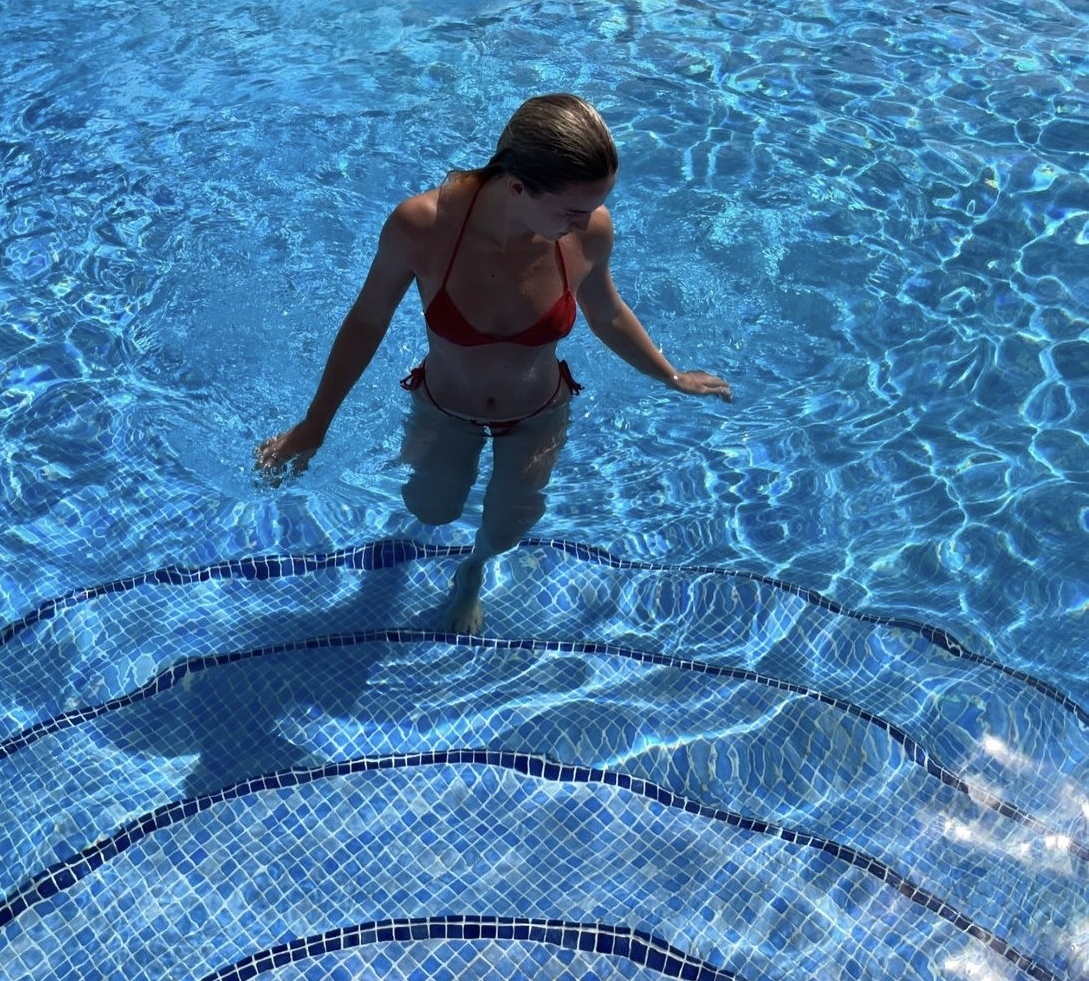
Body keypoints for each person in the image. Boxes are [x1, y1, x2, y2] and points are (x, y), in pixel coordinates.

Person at [255, 93, 732, 633]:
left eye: (594, 206)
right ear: (517, 187)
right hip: (444, 406)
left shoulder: (590, 231)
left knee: (506, 531)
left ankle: (473, 573)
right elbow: (367, 321)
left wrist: (671, 375)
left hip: (537, 412)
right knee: (431, 508)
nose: (586, 224)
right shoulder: (423, 227)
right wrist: (315, 424)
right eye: (571, 211)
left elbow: (608, 313)